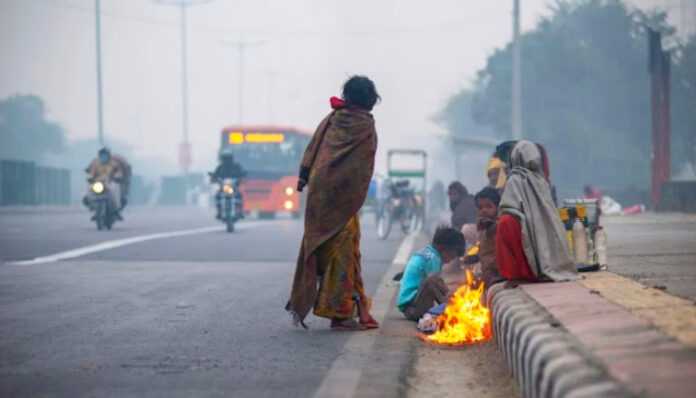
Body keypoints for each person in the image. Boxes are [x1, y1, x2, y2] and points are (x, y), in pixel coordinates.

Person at [286, 75, 380, 331]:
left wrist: (304, 176)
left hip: (319, 193)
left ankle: (360, 309)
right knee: (344, 253)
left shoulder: (332, 119)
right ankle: (340, 315)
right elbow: (362, 167)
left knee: (332, 249)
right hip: (344, 197)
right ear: (370, 100)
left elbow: (313, 151)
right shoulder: (365, 125)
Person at [495, 141, 579, 282]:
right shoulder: (542, 181)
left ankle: (517, 274)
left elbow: (508, 208)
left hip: (523, 230)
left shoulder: (515, 178)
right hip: (540, 232)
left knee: (505, 223)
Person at [397, 226, 465, 321]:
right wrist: (449, 298)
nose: (450, 261)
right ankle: (452, 309)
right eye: (452, 256)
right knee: (432, 280)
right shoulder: (434, 259)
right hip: (413, 308)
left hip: (409, 306)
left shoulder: (424, 252)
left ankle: (450, 306)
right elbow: (434, 283)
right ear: (443, 250)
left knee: (437, 283)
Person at [474, 187, 504, 287]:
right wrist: (475, 257)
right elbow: (487, 252)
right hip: (487, 270)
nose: (484, 210)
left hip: (499, 273)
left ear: (498, 207)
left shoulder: (501, 226)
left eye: (489, 206)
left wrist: (495, 226)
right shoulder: (483, 226)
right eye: (481, 207)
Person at [85, 147, 126, 217]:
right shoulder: (96, 162)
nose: (103, 157)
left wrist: (117, 177)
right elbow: (92, 172)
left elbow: (118, 172)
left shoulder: (114, 163)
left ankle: (116, 207)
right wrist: (90, 177)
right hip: (98, 182)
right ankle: (92, 206)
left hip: (110, 181)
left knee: (115, 189)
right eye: (102, 155)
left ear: (108, 156)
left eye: (105, 155)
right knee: (88, 192)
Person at [211, 152, 247, 219]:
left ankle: (240, 211)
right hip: (223, 187)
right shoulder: (220, 167)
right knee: (218, 196)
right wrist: (214, 178)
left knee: (239, 196)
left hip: (234, 187)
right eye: (225, 158)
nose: (227, 160)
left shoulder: (236, 166)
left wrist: (242, 177)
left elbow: (242, 173)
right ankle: (219, 211)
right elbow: (215, 175)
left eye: (228, 158)